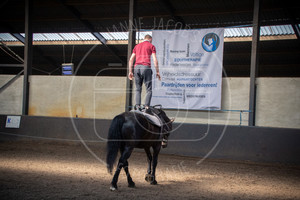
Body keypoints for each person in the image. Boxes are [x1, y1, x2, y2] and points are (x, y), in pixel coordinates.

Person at [128, 34, 161, 111]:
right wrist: (157, 72)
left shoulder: (137, 46)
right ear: (150, 39)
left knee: (138, 89)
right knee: (149, 89)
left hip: (136, 68)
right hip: (146, 67)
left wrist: (130, 71)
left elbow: (131, 60)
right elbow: (155, 60)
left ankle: (137, 106)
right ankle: (146, 106)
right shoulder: (151, 46)